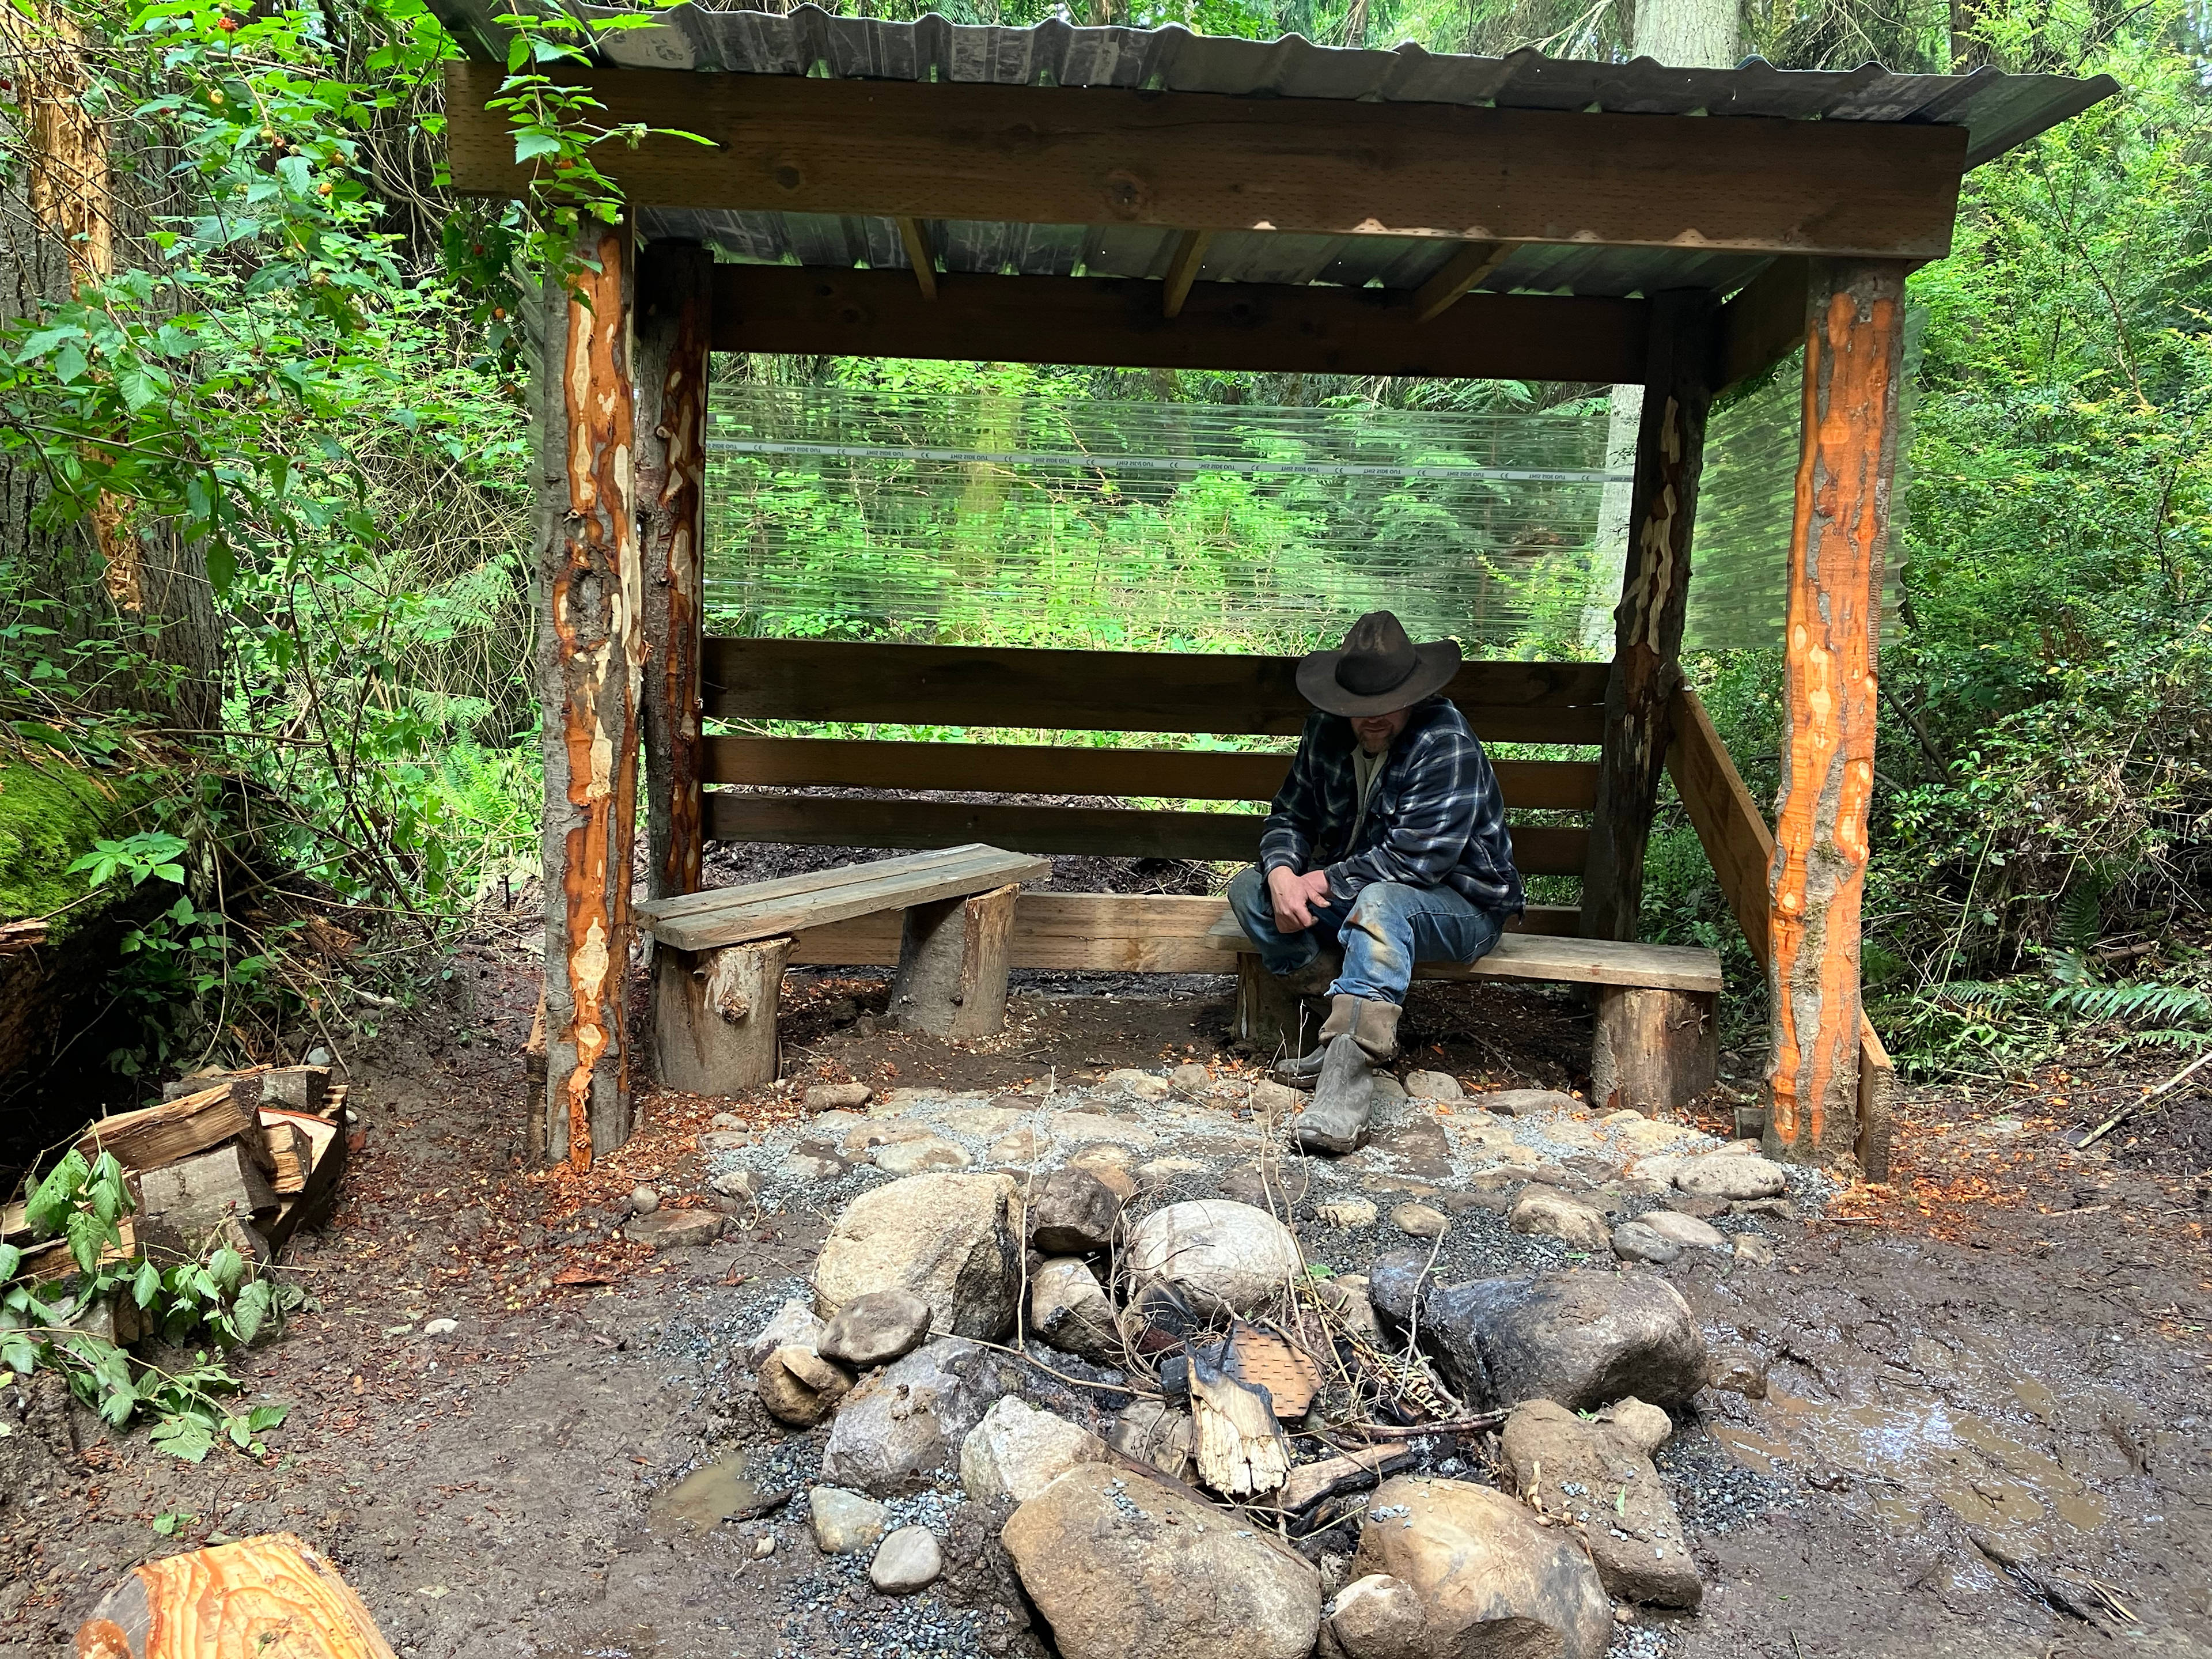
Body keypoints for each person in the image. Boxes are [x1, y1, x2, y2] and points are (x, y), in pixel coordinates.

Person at [1225, 610, 1523, 1153]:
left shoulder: (1445, 740)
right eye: (1359, 710)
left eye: (1387, 705)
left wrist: (1320, 879)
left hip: (1461, 907)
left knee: (1384, 900)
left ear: (1414, 693)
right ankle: (1341, 1032)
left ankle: (1347, 1083)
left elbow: (1418, 864)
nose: (1374, 718)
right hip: (1362, 893)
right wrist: (1283, 874)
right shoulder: (1325, 730)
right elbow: (1290, 815)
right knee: (1250, 891)